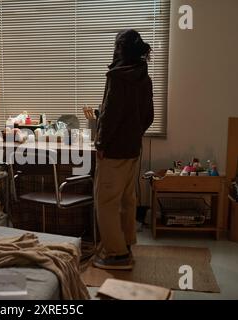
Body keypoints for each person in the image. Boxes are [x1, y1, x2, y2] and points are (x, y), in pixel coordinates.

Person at [94, 29, 154, 270]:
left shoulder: (117, 77)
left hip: (114, 152)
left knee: (106, 202)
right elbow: (148, 116)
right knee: (128, 199)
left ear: (119, 48)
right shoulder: (143, 76)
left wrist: (101, 143)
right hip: (133, 150)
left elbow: (109, 116)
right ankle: (126, 245)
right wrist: (134, 133)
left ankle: (116, 255)